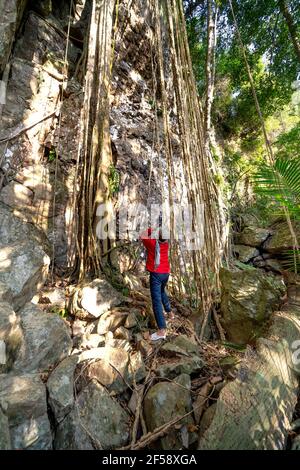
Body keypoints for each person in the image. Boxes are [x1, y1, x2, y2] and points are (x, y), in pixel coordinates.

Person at [139, 226, 174, 341]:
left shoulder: (152, 244)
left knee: (156, 301)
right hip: (166, 273)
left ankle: (161, 330)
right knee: (162, 291)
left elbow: (143, 234)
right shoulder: (166, 244)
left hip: (156, 274)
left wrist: (152, 228)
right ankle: (170, 313)